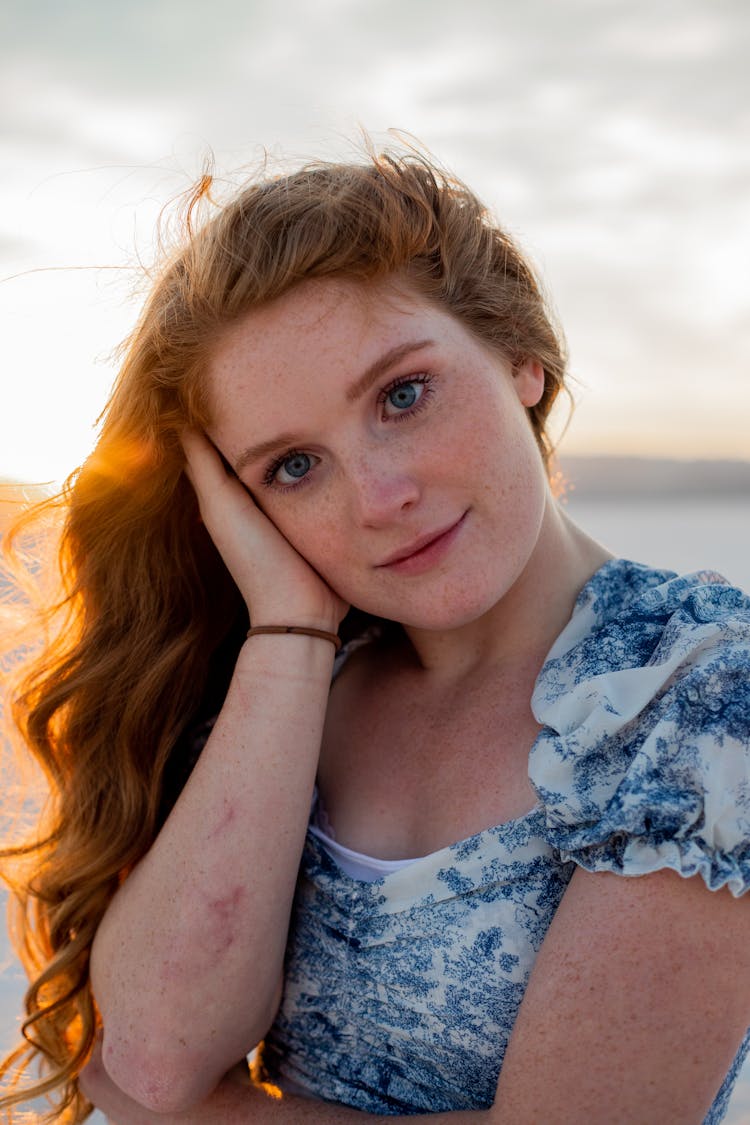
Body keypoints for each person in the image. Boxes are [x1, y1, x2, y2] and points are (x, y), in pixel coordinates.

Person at [1, 144, 749, 1125]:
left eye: (402, 395)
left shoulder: (699, 693)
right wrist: (286, 632)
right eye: (294, 467)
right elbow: (151, 1061)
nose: (381, 498)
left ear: (520, 354)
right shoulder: (284, 694)